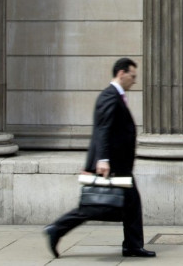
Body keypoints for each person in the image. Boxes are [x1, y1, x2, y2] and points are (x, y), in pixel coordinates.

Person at [43, 58, 156, 258]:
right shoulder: (110, 96)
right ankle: (57, 228)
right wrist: (102, 159)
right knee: (93, 207)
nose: (134, 81)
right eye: (132, 76)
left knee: (131, 205)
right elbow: (103, 130)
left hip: (118, 164)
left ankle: (132, 245)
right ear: (121, 73)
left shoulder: (115, 96)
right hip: (111, 164)